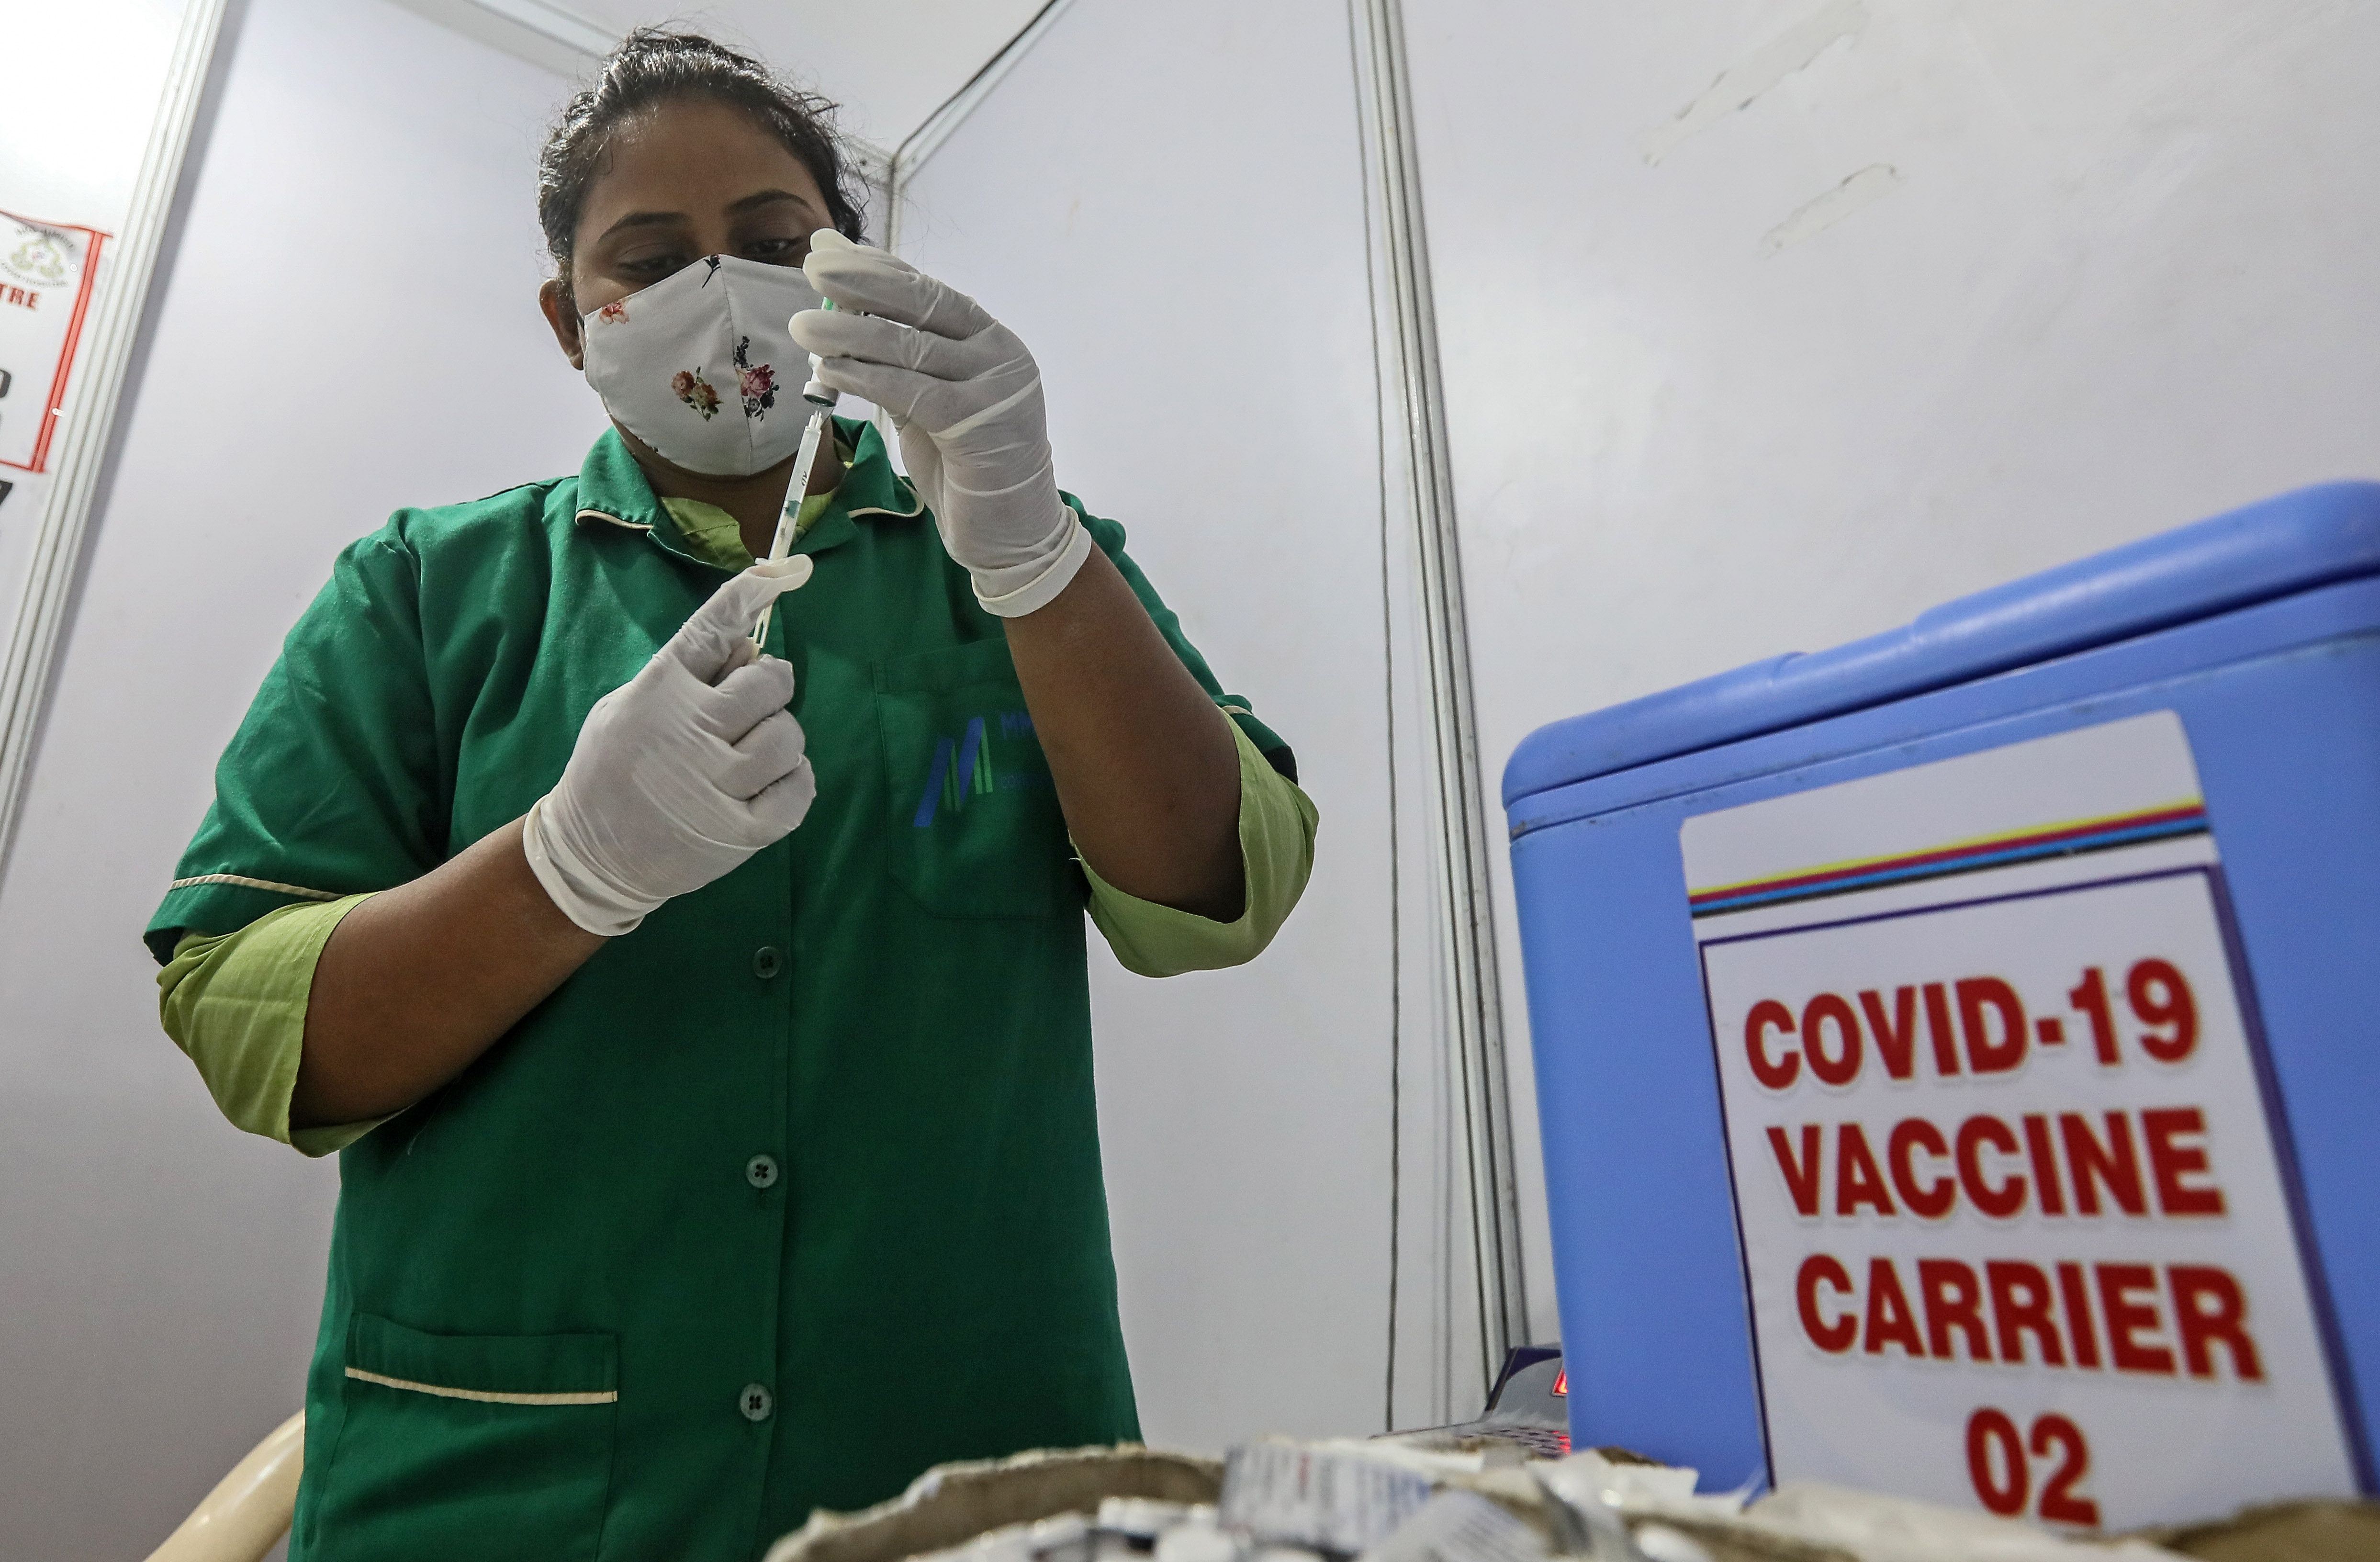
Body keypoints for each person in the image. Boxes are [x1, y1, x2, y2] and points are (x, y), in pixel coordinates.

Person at [147, 30, 1315, 1562]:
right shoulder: (426, 594)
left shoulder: (1022, 567)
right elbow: (246, 1022)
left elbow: (1219, 895)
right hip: (501, 1495)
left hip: (959, 1478)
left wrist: (1032, 554)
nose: (723, 289)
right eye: (653, 255)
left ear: (844, 274)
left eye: (773, 245)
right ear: (575, 323)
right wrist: (562, 870)